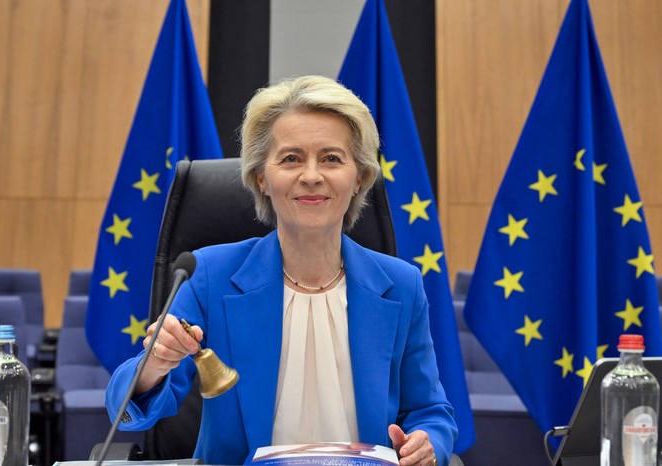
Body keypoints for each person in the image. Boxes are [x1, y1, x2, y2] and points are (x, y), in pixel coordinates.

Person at [106, 75, 457, 466]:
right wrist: (154, 364)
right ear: (262, 178)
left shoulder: (401, 285)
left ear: (358, 178)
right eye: (291, 158)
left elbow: (431, 411)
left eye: (331, 158)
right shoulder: (209, 274)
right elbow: (128, 407)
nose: (311, 175)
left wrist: (428, 444)